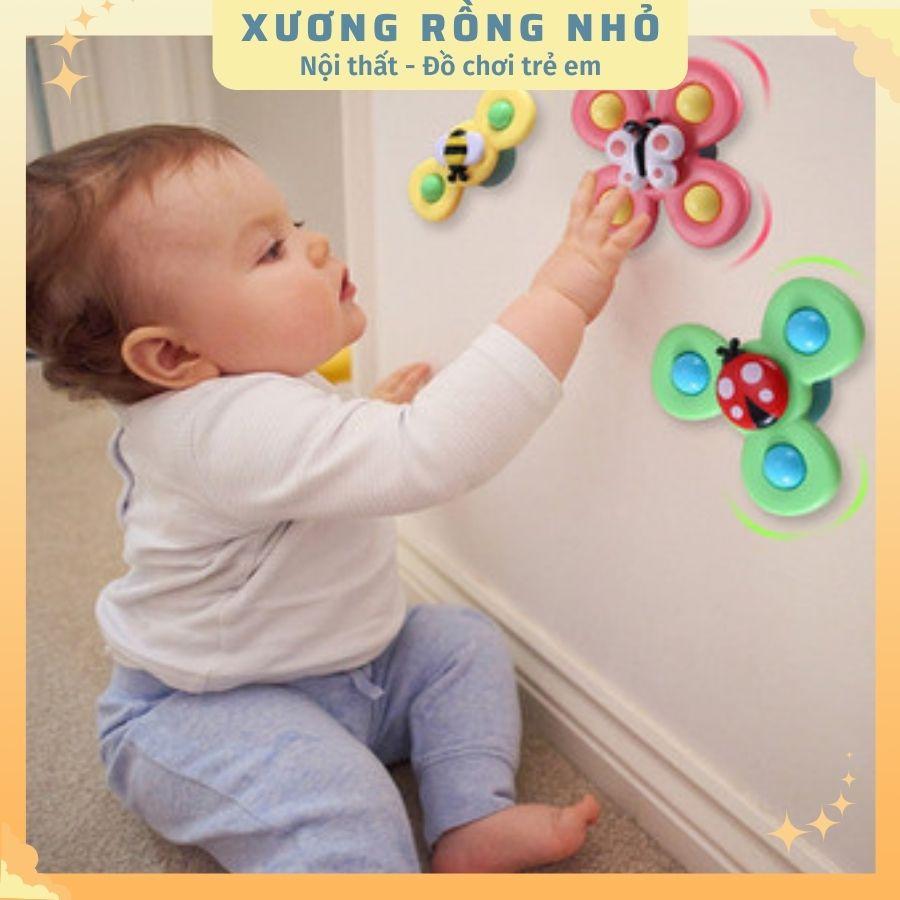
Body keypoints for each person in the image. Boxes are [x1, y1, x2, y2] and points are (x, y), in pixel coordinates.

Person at [26, 124, 648, 873]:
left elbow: (296, 466)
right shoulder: (213, 430)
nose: (315, 244)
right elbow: (432, 452)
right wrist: (562, 294)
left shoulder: (238, 396)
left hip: (345, 672)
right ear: (173, 354)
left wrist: (366, 419)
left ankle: (470, 817)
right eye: (271, 251)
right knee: (344, 802)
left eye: (292, 225)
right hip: (199, 711)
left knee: (460, 644)